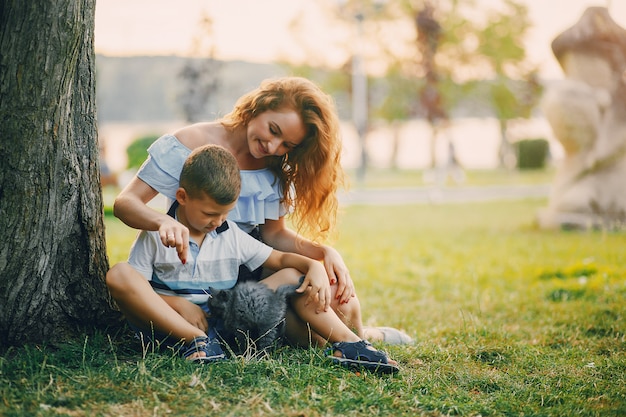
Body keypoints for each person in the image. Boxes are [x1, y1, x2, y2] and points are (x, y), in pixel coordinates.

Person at [112, 76, 412, 345]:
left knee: (335, 300)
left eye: (286, 145)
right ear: (257, 107)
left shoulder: (272, 169)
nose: (273, 146)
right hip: (193, 272)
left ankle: (364, 335)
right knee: (315, 334)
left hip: (253, 274)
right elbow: (126, 203)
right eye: (273, 130)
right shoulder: (188, 143)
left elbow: (274, 235)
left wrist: (323, 254)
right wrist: (162, 223)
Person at [106, 144, 399, 374]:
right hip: (173, 328)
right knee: (119, 273)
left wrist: (312, 265)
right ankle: (195, 342)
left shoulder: (229, 234)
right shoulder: (157, 235)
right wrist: (178, 303)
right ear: (182, 197)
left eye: (224, 214)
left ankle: (350, 345)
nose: (216, 221)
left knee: (291, 276)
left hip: (226, 324)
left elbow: (282, 259)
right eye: (209, 214)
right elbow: (137, 291)